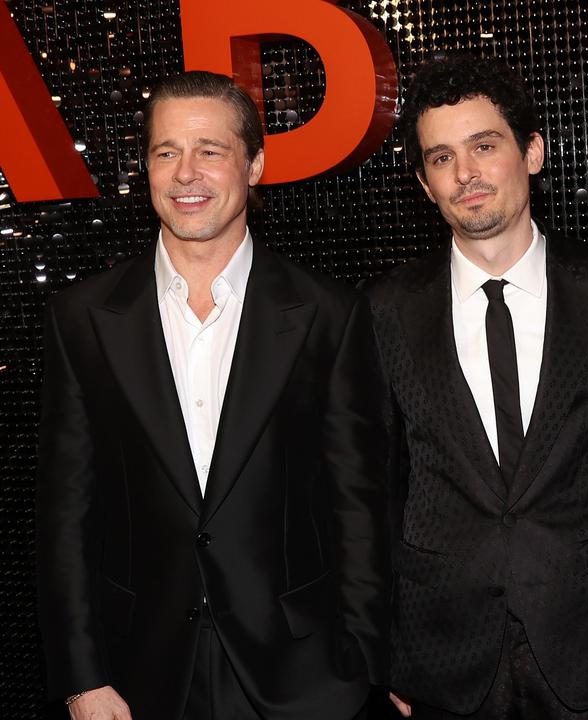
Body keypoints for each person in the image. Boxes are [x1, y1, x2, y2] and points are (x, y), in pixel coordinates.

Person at [37, 71, 388, 720]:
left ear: (255, 164)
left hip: (302, 677)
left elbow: (360, 504)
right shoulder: (81, 316)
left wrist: (364, 662)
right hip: (136, 679)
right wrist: (82, 677)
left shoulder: (327, 313)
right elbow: (65, 515)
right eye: (166, 152)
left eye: (210, 150)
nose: (184, 173)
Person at [364, 53, 588, 720]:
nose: (465, 173)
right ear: (424, 183)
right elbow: (373, 489)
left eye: (484, 145)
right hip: (442, 659)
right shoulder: (387, 310)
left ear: (532, 152)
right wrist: (379, 647)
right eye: (441, 158)